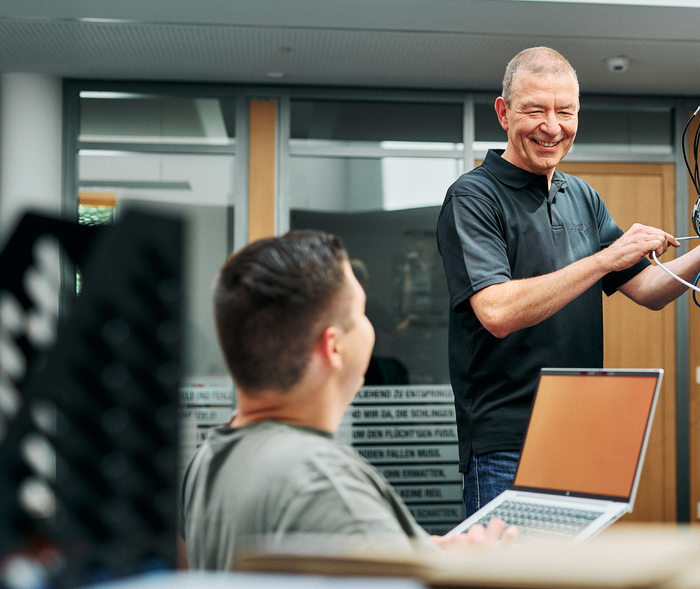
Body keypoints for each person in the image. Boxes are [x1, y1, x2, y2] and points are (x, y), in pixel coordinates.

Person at [437, 47, 700, 516]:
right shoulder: (473, 196)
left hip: (581, 433)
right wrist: (605, 259)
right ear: (504, 113)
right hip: (510, 442)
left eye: (565, 112)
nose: (552, 126)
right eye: (535, 110)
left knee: (574, 587)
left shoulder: (581, 195)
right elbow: (498, 312)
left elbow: (648, 290)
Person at [179, 230, 515, 570]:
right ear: (334, 347)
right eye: (361, 313)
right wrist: (474, 568)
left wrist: (397, 546)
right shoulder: (322, 482)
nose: (369, 327)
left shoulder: (208, 460)